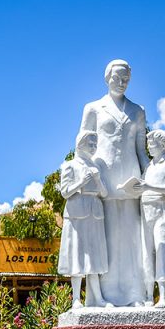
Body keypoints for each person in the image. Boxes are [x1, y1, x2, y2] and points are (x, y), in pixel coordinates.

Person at [80, 59, 148, 306]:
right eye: (117, 78)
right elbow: (82, 146)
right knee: (105, 238)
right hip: (102, 179)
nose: (121, 83)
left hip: (130, 180)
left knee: (131, 237)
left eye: (126, 79)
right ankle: (103, 296)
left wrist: (149, 178)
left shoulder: (137, 110)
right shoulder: (93, 108)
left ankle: (134, 295)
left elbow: (141, 150)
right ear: (107, 78)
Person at [57, 130, 109, 308]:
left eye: (95, 144)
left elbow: (104, 193)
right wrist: (81, 181)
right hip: (77, 212)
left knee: (94, 255)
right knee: (77, 255)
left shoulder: (96, 166)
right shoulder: (70, 165)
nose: (94, 147)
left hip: (95, 211)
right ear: (80, 144)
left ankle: (98, 298)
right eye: (91, 144)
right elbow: (65, 192)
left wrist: (98, 180)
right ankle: (76, 299)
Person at [135, 129, 165, 307]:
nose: (149, 147)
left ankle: (162, 296)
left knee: (161, 248)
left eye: (152, 144)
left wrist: (149, 186)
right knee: (146, 252)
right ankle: (147, 295)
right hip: (144, 210)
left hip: (161, 209)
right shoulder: (148, 166)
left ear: (162, 145)